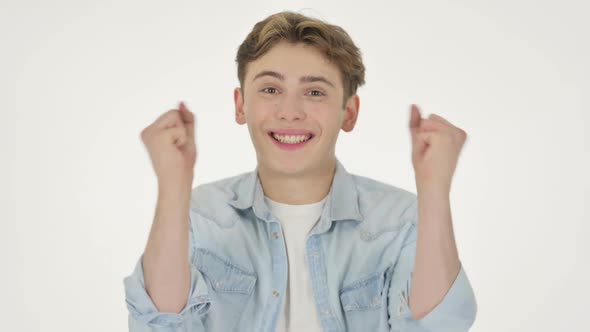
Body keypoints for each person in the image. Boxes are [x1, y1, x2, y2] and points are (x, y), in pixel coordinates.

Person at [123, 10, 477, 332]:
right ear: (240, 104)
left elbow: (438, 328)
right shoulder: (196, 218)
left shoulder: (402, 221)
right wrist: (173, 185)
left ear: (349, 112)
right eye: (271, 88)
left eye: (314, 92)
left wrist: (435, 191)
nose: (289, 111)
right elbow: (159, 327)